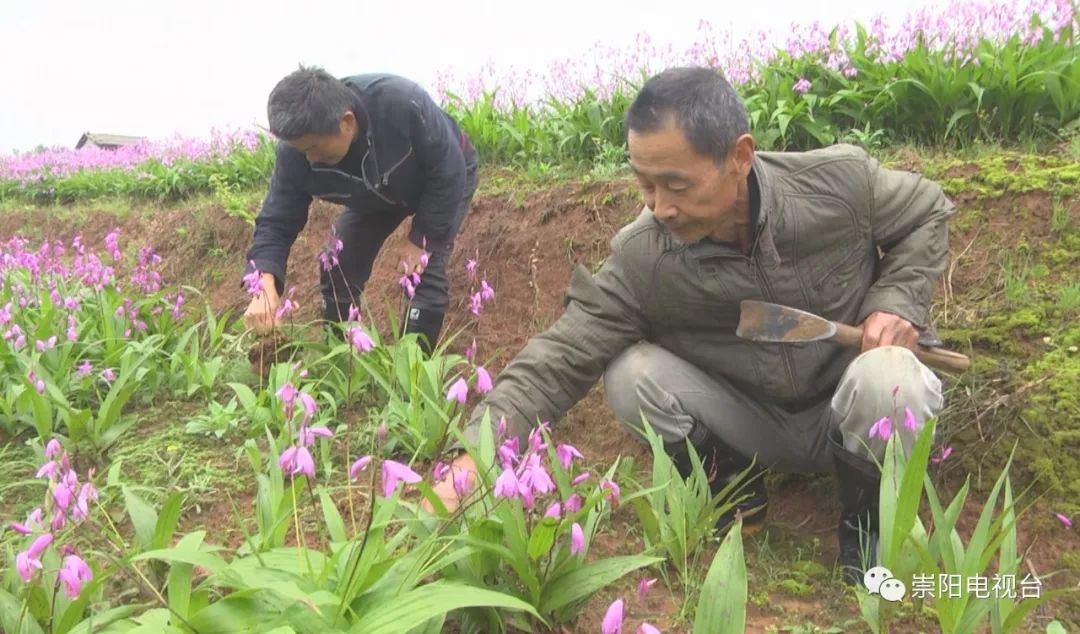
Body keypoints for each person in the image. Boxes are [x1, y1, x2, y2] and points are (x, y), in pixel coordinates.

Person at [432, 66, 953, 586]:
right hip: (751, 422)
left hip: (848, 408)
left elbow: (926, 211)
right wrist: (479, 453)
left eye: (676, 184)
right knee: (631, 374)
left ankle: (868, 531)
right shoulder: (645, 256)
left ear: (739, 157)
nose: (660, 207)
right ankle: (732, 484)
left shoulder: (837, 185)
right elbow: (563, 353)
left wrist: (895, 302)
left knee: (892, 375)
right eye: (645, 186)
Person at [242, 66, 479, 352]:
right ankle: (343, 362)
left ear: (347, 122)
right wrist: (264, 280)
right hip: (372, 196)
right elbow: (276, 222)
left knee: (423, 271)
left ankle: (413, 378)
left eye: (315, 147)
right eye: (301, 149)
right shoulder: (295, 155)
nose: (310, 159)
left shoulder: (402, 105)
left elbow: (448, 168)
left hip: (440, 176)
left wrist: (421, 238)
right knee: (337, 265)